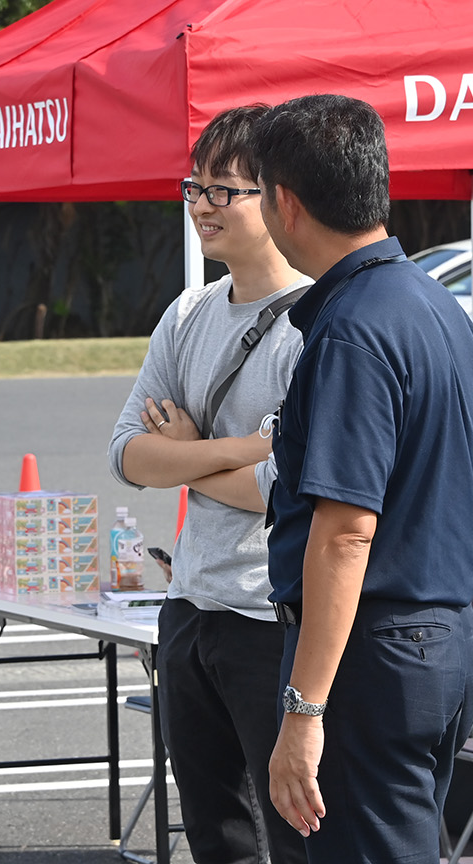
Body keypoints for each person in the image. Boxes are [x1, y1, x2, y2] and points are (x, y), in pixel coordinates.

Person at [253, 94, 473, 864]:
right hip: (437, 639)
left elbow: (347, 530)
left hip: (371, 655)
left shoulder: (354, 328)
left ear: (286, 203)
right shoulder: (433, 304)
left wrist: (303, 709)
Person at [109, 104, 310, 864]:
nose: (201, 205)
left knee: (293, 838)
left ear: (280, 196)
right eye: (194, 186)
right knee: (216, 838)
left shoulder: (313, 325)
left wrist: (189, 459)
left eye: (224, 190)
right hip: (189, 611)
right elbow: (128, 454)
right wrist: (226, 450)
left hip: (273, 619)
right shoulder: (189, 310)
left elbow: (289, 488)